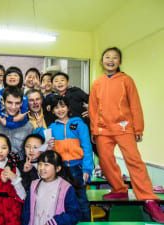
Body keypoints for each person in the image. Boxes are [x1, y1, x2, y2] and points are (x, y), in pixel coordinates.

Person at [89, 47, 164, 223]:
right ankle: (118, 189)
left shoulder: (126, 80)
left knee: (134, 161)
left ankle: (149, 199)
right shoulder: (97, 82)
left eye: (115, 58)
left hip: (124, 127)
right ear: (102, 61)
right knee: (106, 161)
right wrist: (94, 129)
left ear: (119, 62)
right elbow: (92, 108)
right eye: (107, 57)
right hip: (102, 129)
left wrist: (138, 128)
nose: (111, 60)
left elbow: (135, 104)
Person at [36, 95, 93, 221]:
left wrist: (87, 169)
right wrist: (40, 127)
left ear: (68, 108)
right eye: (56, 107)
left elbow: (87, 148)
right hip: (60, 169)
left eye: (63, 106)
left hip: (77, 168)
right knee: (63, 200)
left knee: (81, 200)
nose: (60, 110)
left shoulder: (79, 124)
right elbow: (45, 142)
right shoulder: (52, 127)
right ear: (52, 111)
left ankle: (85, 223)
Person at [22, 150, 81, 225]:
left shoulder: (65, 188)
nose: (42, 168)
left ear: (57, 168)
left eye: (46, 165)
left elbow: (74, 214)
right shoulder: (34, 185)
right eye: (40, 164)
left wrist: (56, 221)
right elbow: (26, 211)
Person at [0, 87, 33, 160]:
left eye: (17, 103)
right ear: (3, 102)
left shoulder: (28, 126)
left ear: (21, 103)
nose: (13, 107)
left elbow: (28, 151)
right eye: (9, 102)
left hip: (18, 165)